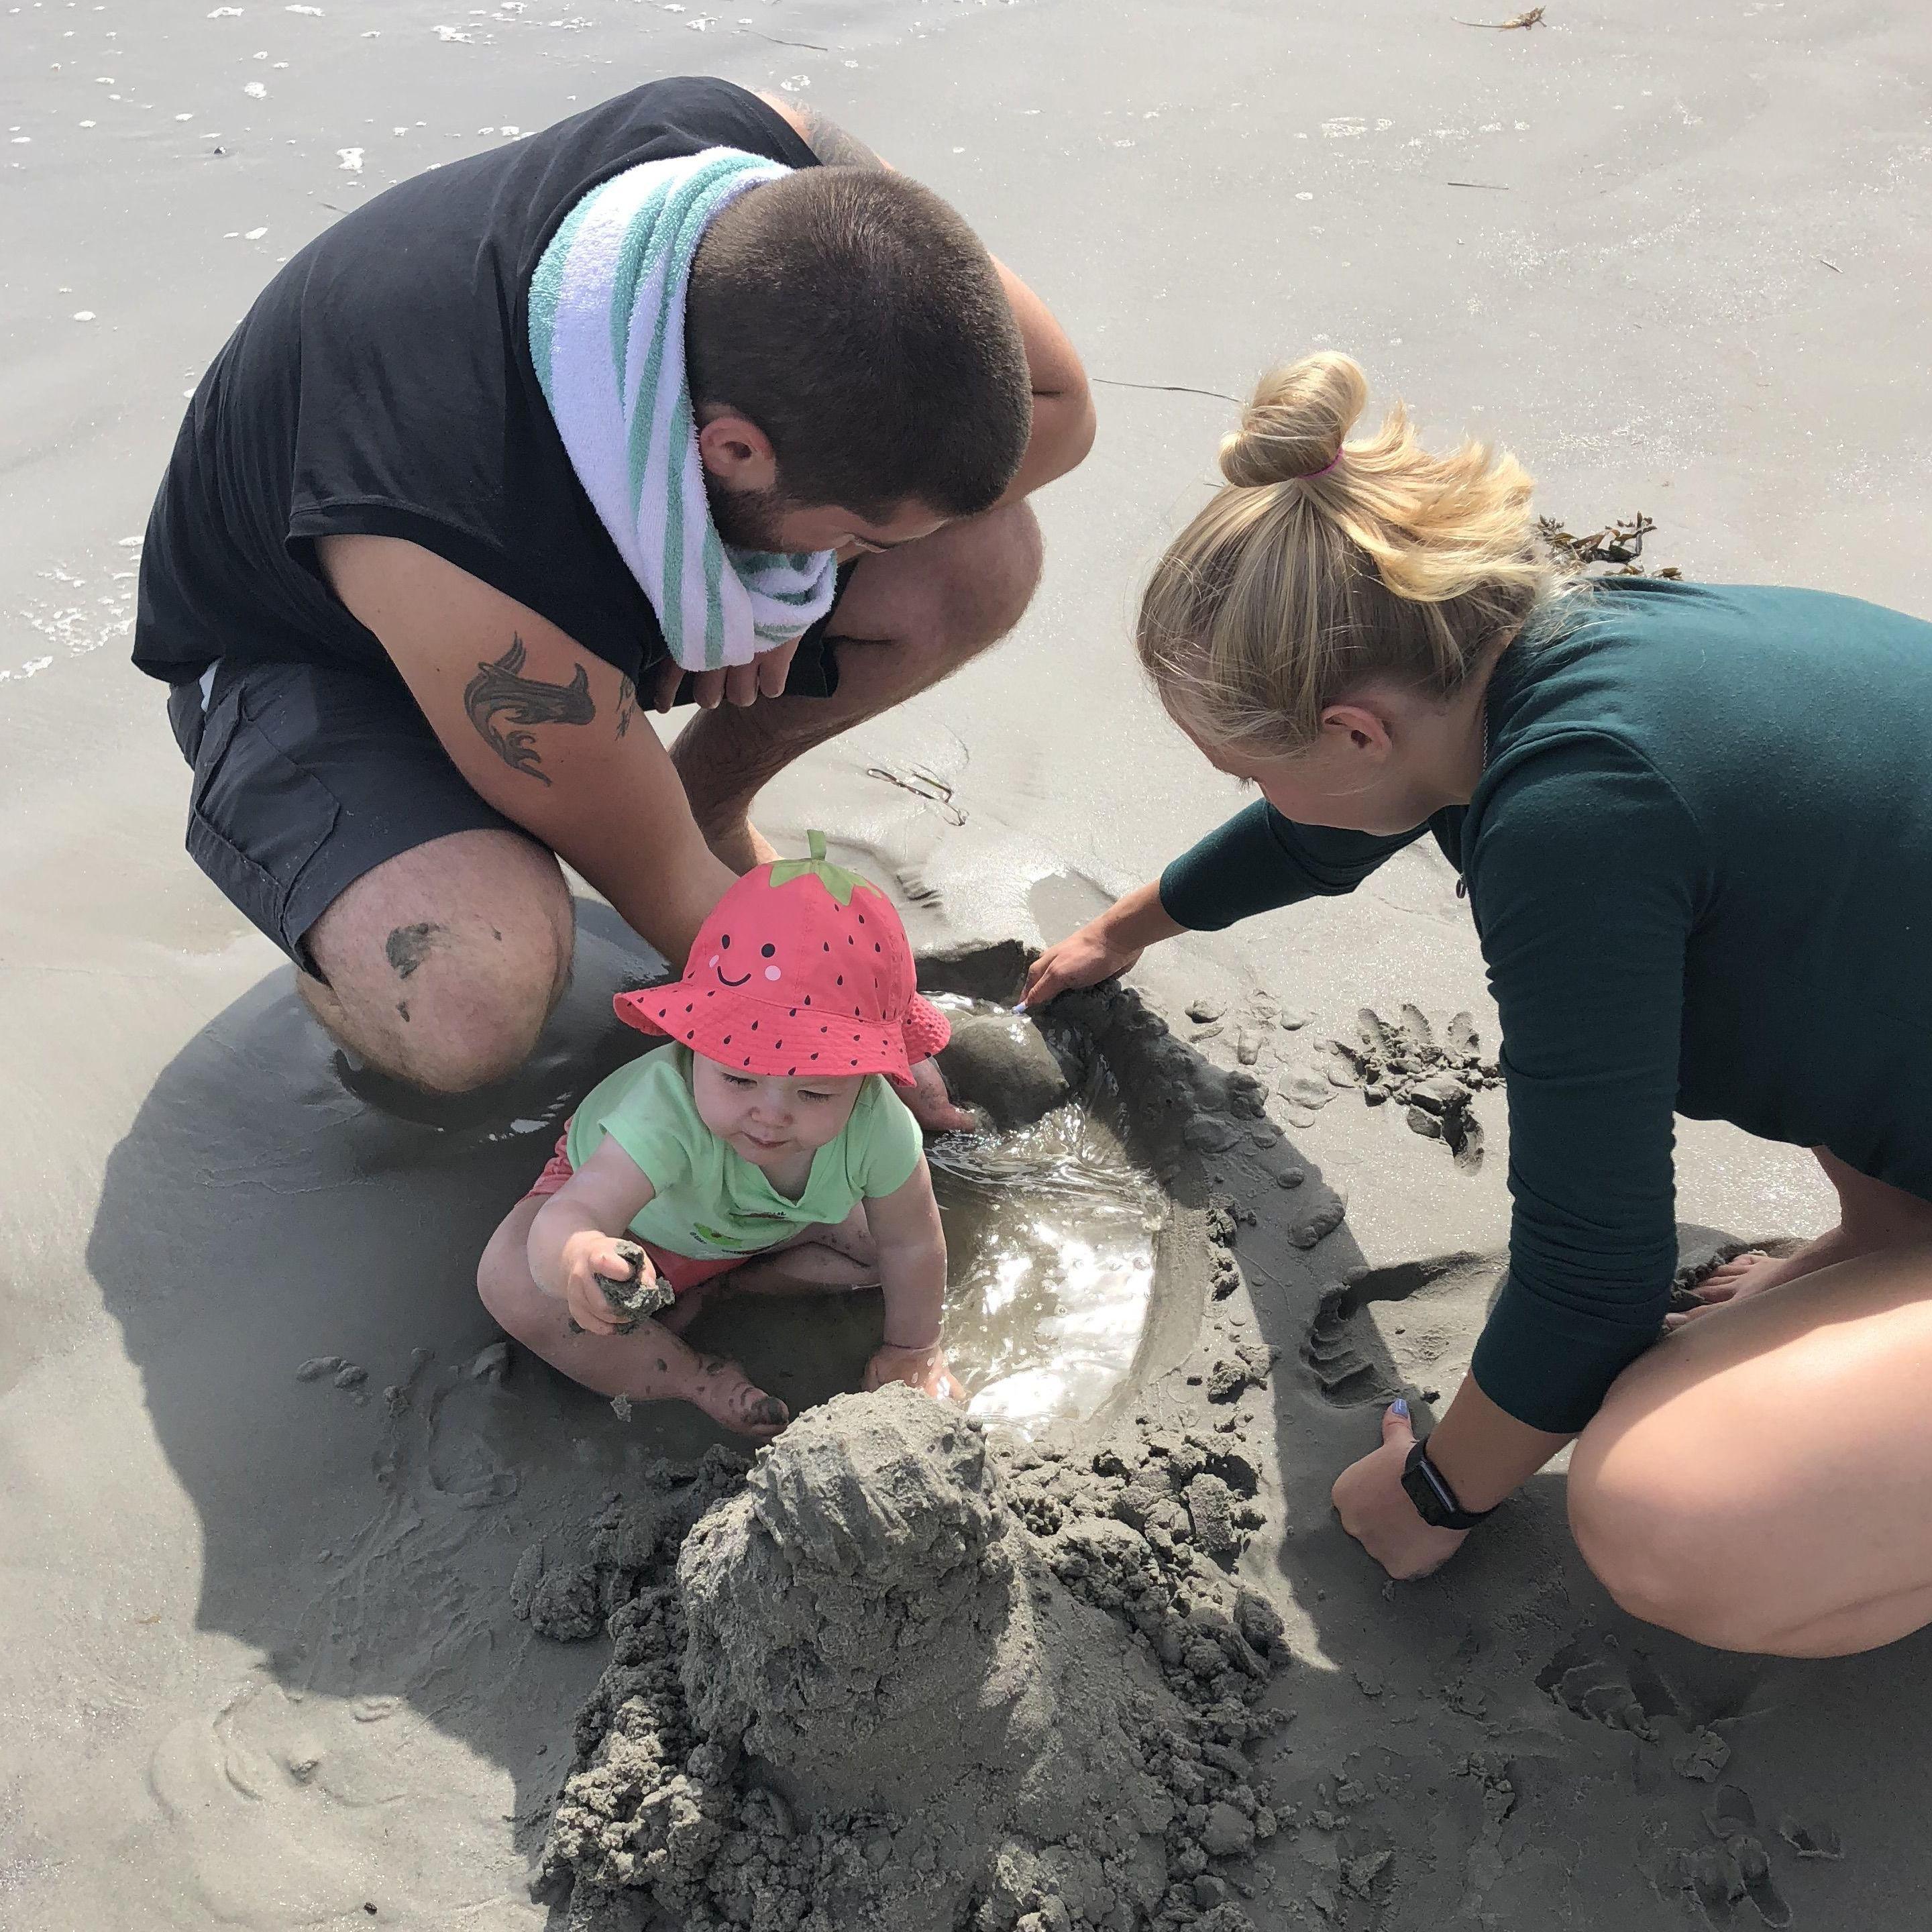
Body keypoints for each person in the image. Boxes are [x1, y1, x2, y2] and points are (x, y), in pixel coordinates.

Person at [1022, 350, 1932, 1659]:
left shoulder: (1574, 820)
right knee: (1820, 924)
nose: (1257, 798)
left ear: (1353, 735)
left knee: (1658, 1511)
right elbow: (1320, 836)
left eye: (1249, 770)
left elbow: (1594, 1279)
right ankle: (1890, 1247)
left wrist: (1437, 1489)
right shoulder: (1556, 650)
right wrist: (1131, 925)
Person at [133, 76, 1093, 1120]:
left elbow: (1063, 411)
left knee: (978, 555)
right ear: (732, 452)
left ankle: (706, 797)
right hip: (315, 654)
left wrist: (760, 575)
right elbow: (672, 887)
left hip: (573, 549)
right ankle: (358, 920)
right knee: (465, 1005)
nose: (848, 565)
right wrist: (854, 1068)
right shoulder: (452, 531)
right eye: (852, 541)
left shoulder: (774, 160)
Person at [478, 833, 957, 1437]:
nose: (771, 1114)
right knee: (512, 1281)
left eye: (814, 1092)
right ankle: (695, 1377)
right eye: (737, 1077)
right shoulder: (666, 1109)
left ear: (867, 1076)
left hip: (764, 1226)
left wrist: (914, 1351)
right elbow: (576, 1211)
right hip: (640, 1233)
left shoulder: (879, 1123)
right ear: (695, 1040)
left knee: (898, 1258)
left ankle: (735, 1282)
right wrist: (578, 1256)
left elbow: (914, 1243)